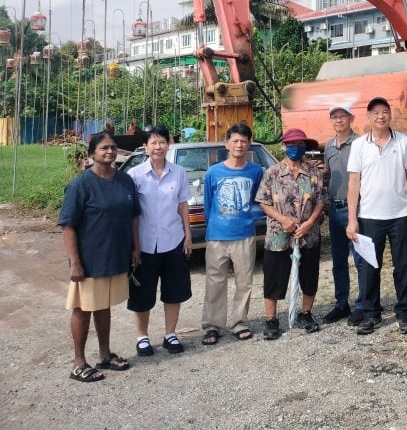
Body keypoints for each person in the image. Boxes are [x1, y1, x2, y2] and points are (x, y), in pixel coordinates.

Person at [59, 131, 140, 382]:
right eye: (104, 147)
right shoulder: (80, 185)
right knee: (83, 308)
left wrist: (135, 248)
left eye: (113, 147)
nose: (110, 151)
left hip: (115, 256)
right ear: (92, 152)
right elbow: (68, 225)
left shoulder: (125, 181)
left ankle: (105, 355)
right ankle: (78, 363)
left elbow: (133, 216)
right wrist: (75, 262)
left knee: (103, 306)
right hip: (89, 259)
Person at [345, 97, 407, 336]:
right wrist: (352, 218)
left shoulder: (404, 142)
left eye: (385, 112)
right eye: (376, 112)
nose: (381, 116)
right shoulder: (359, 146)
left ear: (390, 115)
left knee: (403, 266)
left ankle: (404, 312)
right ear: (368, 117)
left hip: (399, 215)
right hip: (368, 216)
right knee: (369, 267)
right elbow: (353, 182)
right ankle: (371, 313)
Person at [126, 124, 193, 356]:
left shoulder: (179, 172)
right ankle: (142, 337)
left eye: (162, 142)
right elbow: (133, 214)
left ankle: (170, 334)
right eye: (153, 142)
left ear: (169, 144)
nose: (158, 146)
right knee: (142, 292)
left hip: (173, 241)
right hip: (144, 244)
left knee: (174, 290)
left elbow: (183, 204)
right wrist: (134, 246)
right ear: (145, 146)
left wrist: (188, 235)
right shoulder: (134, 176)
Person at [255, 127, 326, 340]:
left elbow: (321, 200)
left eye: (300, 145)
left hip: (308, 234)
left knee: (309, 275)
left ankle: (306, 314)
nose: (296, 148)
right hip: (279, 234)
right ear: (284, 146)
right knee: (274, 277)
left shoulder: (314, 172)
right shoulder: (272, 173)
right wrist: (283, 219)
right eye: (292, 144)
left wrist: (311, 222)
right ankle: (271, 319)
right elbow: (263, 202)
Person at [200, 123, 264, 344]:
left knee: (244, 282)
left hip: (245, 234)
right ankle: (212, 325)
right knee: (215, 281)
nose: (239, 145)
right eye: (235, 140)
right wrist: (214, 225)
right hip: (217, 235)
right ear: (227, 143)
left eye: (243, 141)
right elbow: (208, 204)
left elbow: (259, 200)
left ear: (249, 144)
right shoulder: (214, 171)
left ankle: (240, 322)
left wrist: (248, 219)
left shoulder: (256, 171)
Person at [321, 104, 366, 326]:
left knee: (360, 259)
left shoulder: (361, 143)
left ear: (351, 118)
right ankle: (341, 304)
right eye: (334, 117)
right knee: (338, 259)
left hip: (355, 209)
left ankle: (363, 305)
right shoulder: (328, 146)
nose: (339, 120)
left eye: (343, 116)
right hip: (334, 207)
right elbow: (328, 175)